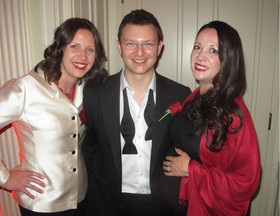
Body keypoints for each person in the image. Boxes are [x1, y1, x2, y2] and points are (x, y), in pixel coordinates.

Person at [0, 17, 107, 215]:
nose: (83, 56)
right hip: (41, 203)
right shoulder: (24, 89)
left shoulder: (87, 89)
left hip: (81, 198)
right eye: (75, 46)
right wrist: (5, 178)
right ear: (60, 48)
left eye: (90, 49)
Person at [83, 9, 191, 216]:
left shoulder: (180, 94)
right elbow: (89, 149)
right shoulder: (94, 94)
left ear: (159, 47)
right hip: (109, 202)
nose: (139, 52)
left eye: (148, 44)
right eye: (130, 43)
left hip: (161, 202)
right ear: (119, 47)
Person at [161, 20, 261, 215]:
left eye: (213, 50)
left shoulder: (232, 112)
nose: (200, 55)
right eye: (197, 47)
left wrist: (191, 169)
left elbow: (246, 182)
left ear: (228, 59)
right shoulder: (195, 95)